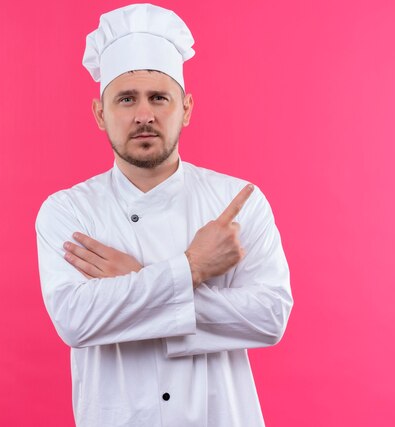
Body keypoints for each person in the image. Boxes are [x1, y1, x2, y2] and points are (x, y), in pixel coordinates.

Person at [35, 4, 293, 426]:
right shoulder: (67, 211)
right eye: (126, 99)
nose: (144, 114)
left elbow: (269, 318)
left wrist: (137, 278)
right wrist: (190, 269)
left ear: (186, 108)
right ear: (101, 114)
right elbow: (76, 322)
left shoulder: (239, 202)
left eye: (159, 97)